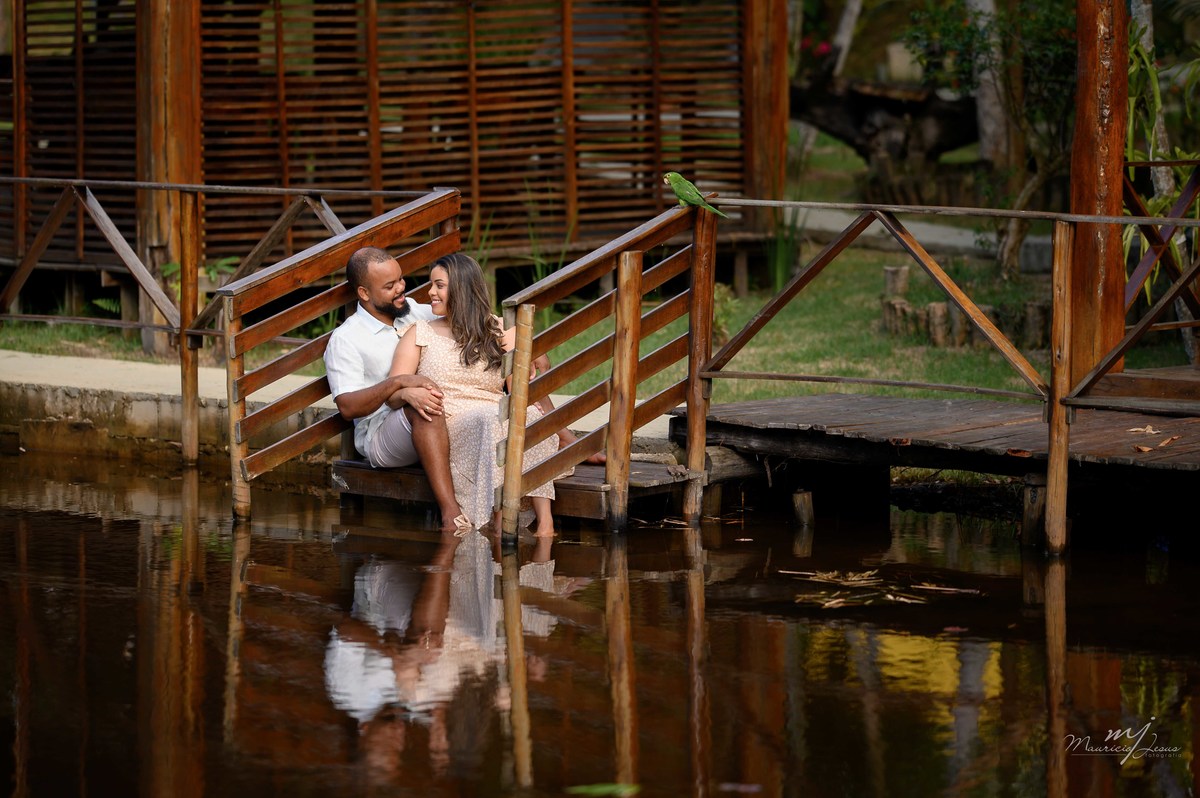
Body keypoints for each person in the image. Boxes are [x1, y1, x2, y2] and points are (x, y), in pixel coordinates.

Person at [388, 253, 562, 536]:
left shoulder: (498, 330)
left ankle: (545, 522)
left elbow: (518, 385)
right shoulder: (419, 333)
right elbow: (392, 391)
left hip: (494, 409)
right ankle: (498, 519)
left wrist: (529, 357)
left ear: (462, 288)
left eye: (439, 285)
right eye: (431, 285)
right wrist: (408, 394)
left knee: (527, 414)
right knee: (490, 420)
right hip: (452, 421)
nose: (430, 292)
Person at [324, 246, 468, 534]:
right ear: (364, 293)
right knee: (423, 407)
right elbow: (348, 407)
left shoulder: (413, 311)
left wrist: (518, 339)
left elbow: (469, 314)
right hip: (380, 436)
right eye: (389, 286)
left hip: (441, 415)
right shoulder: (347, 339)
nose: (401, 288)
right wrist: (397, 383)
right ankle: (451, 513)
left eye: (400, 279)